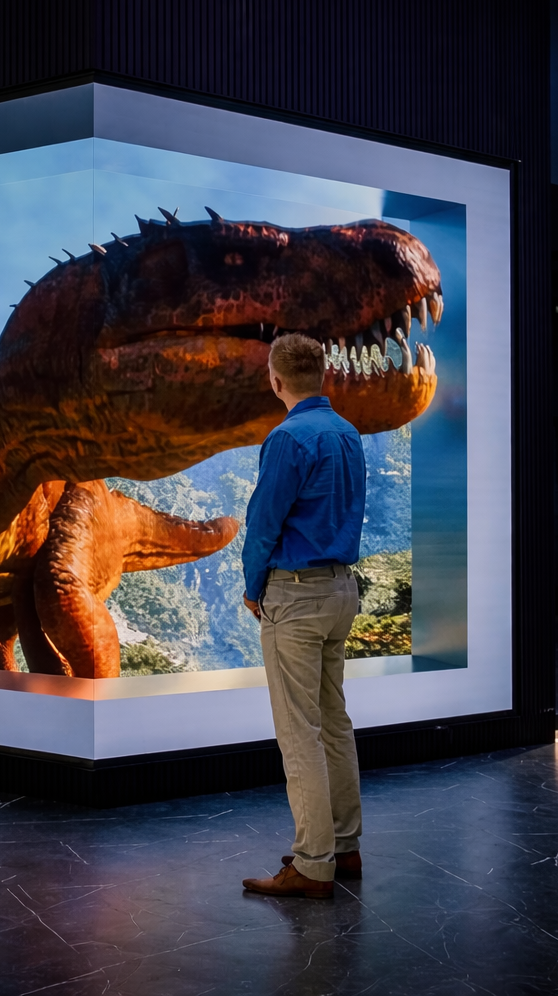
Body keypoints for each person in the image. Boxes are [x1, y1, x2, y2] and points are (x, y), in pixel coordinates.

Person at [240, 333, 367, 898]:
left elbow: (264, 524)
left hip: (296, 595)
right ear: (322, 376)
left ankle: (313, 865)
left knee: (300, 733)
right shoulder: (348, 434)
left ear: (275, 380)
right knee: (335, 722)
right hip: (342, 590)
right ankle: (345, 846)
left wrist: (252, 587)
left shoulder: (288, 439)